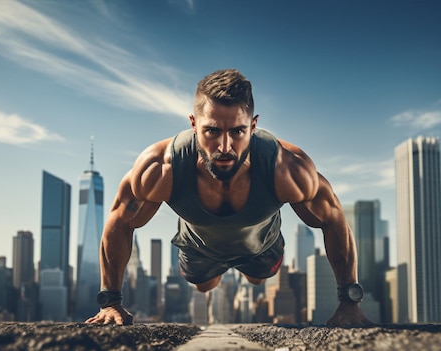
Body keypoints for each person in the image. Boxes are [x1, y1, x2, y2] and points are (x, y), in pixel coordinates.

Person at [86, 69, 372, 326]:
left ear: (254, 126)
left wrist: (349, 302)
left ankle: (252, 262)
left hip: (262, 247)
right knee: (204, 286)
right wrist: (111, 302)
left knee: (259, 278)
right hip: (199, 248)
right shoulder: (161, 168)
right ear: (193, 124)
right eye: (212, 130)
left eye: (237, 131)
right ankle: (214, 270)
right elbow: (120, 220)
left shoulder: (287, 168)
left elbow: (333, 218)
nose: (224, 146)